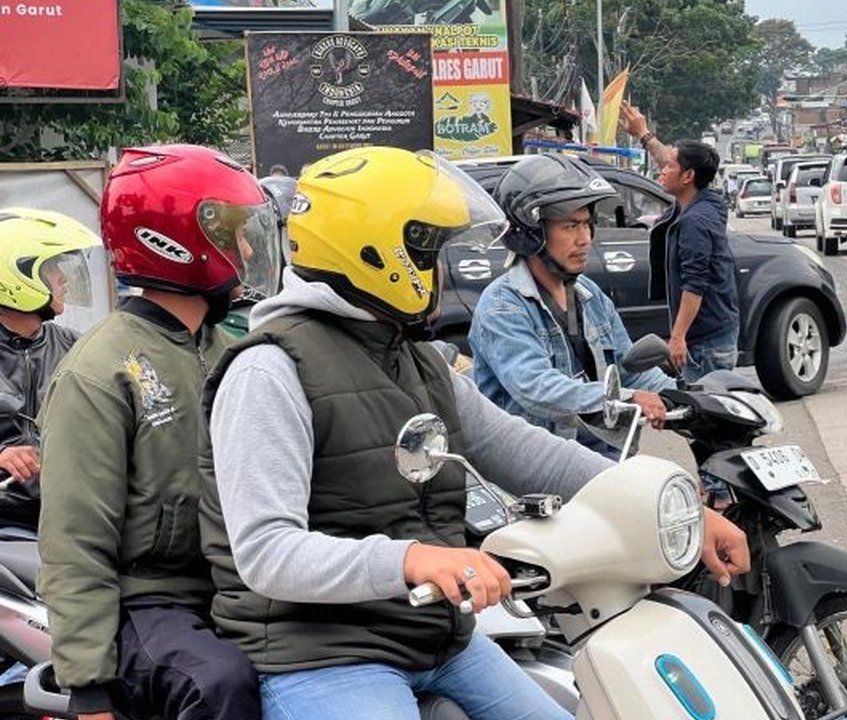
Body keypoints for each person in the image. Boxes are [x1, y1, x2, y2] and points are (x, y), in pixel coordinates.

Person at [200, 146, 750, 720]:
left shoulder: (417, 361)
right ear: (375, 252)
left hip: (436, 636)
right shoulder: (269, 370)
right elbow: (266, 553)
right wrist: (414, 560)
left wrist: (674, 508)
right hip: (323, 652)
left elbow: (529, 452)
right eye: (429, 250)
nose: (441, 269)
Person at [36, 144, 277, 720]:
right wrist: (89, 685)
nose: (246, 248)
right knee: (219, 683)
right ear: (177, 240)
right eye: (234, 233)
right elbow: (75, 542)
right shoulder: (101, 371)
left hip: (232, 587)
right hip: (147, 598)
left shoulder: (231, 350)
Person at [469, 154, 674, 459]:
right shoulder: (502, 306)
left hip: (604, 455)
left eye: (588, 225)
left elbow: (629, 370)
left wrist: (686, 395)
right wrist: (632, 398)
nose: (585, 239)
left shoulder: (589, 295)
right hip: (536, 469)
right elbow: (536, 387)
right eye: (570, 226)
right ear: (531, 231)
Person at [620, 101, 740, 384]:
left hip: (705, 343)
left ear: (688, 177)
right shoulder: (703, 200)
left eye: (671, 167)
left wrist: (678, 337)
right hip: (715, 333)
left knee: (708, 422)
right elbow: (669, 162)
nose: (663, 170)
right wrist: (644, 134)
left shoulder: (694, 223)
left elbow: (694, 283)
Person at [0, 209, 100, 535]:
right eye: (51, 267)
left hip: (70, 517)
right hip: (8, 521)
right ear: (16, 274)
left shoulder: (77, 348)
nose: (63, 277)